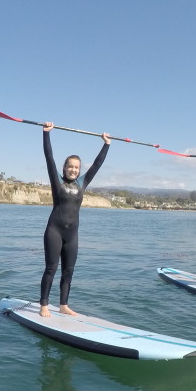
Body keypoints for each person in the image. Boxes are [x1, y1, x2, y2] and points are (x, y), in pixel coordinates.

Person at [39, 122, 110, 317]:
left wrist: (106, 144)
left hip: (72, 234)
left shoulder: (82, 183)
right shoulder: (57, 181)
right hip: (54, 230)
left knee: (68, 271)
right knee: (51, 269)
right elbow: (49, 158)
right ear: (64, 168)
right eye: (70, 166)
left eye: (76, 167)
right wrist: (46, 134)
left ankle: (63, 305)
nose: (73, 170)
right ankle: (44, 305)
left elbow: (97, 165)